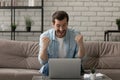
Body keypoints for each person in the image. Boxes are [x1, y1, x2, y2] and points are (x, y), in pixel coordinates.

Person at [38, 11, 85, 76]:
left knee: (80, 67)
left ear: (67, 24)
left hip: (70, 67)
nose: (61, 29)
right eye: (58, 25)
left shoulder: (75, 35)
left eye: (64, 25)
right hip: (51, 67)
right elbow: (43, 62)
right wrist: (44, 48)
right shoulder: (45, 36)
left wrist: (81, 45)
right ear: (53, 24)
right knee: (47, 67)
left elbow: (80, 59)